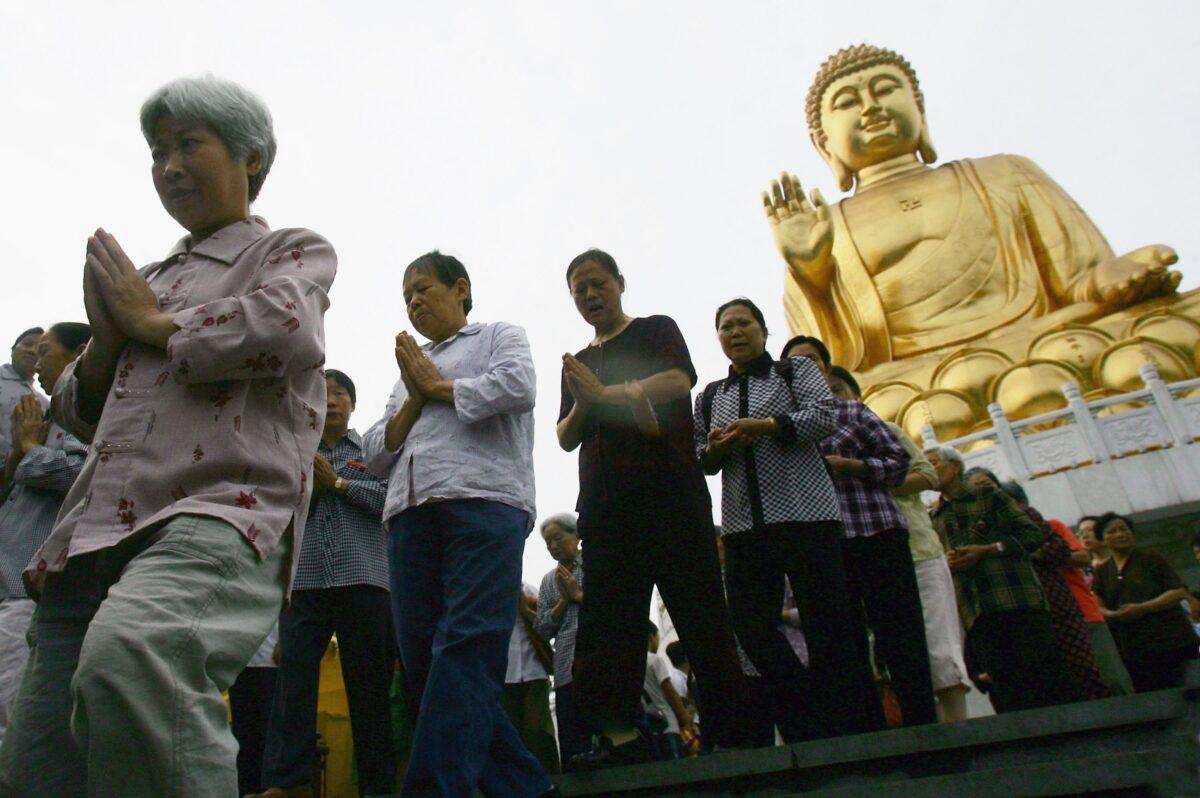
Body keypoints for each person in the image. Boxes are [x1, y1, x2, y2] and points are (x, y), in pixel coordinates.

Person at [0, 75, 336, 798]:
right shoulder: (145, 277)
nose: (170, 167)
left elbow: (286, 329)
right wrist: (105, 339)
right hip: (88, 536)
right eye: (158, 153)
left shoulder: (287, 252)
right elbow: (80, 411)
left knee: (135, 659)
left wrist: (149, 324)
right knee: (39, 762)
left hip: (213, 510)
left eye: (189, 145)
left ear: (251, 158)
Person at [363, 251, 553, 797]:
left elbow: (517, 386)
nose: (413, 303)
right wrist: (415, 396)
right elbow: (375, 452)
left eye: (422, 289)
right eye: (406, 297)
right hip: (408, 510)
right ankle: (526, 788)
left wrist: (439, 388)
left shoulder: (497, 336)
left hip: (484, 501)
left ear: (461, 288)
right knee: (425, 665)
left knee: (467, 644)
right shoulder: (409, 374)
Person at [557, 249, 752, 767]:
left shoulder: (654, 330)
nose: (590, 295)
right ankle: (620, 738)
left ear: (620, 283)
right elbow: (565, 436)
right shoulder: (577, 364)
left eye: (598, 283)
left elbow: (678, 381)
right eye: (579, 289)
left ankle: (733, 733)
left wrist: (611, 393)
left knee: (700, 610)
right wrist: (585, 400)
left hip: (670, 495)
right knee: (608, 625)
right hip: (605, 508)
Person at [695, 300, 878, 740]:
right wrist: (717, 448)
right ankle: (805, 716)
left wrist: (764, 426)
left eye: (743, 323)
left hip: (806, 515)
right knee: (750, 625)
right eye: (725, 327)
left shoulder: (794, 371)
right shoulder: (710, 396)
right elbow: (699, 454)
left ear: (763, 330)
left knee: (827, 621)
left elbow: (822, 417)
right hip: (744, 524)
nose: (735, 332)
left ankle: (849, 728)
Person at [255, 370, 395, 798]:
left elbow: (391, 501)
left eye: (340, 394)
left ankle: (378, 788)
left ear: (353, 403)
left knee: (369, 687)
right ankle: (287, 783)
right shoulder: (294, 451)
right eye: (323, 393)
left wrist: (338, 484)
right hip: (305, 583)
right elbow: (277, 511)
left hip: (366, 580)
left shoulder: (373, 450)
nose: (331, 401)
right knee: (293, 684)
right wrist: (313, 490)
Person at [784, 336, 936, 727]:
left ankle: (923, 724)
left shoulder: (852, 411)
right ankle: (868, 729)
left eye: (811, 361)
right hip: (824, 545)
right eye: (793, 364)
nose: (803, 369)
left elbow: (899, 463)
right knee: (843, 642)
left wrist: (853, 466)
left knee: (900, 632)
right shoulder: (782, 427)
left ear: (826, 369)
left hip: (876, 530)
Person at [826, 366, 970, 722]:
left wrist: (863, 475)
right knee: (888, 649)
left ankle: (956, 727)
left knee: (936, 645)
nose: (831, 396)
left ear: (857, 394)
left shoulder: (883, 429)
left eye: (838, 388)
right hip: (857, 551)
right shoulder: (812, 441)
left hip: (914, 550)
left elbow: (928, 473)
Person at [926, 447, 1079, 712]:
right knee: (1006, 688)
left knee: (1047, 677)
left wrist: (988, 550)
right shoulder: (935, 516)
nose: (928, 470)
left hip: (1016, 597)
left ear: (955, 466)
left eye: (934, 463)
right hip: (976, 609)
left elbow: (1032, 535)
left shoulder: (989, 496)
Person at [0, 323, 90, 745]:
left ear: (81, 353)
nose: (37, 365)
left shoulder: (86, 418)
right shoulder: (41, 416)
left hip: (29, 591)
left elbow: (85, 477)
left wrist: (30, 451)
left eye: (45, 352)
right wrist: (18, 454)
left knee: (11, 710)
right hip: (9, 586)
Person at [964, 471, 1108, 702]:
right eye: (975, 488)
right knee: (1037, 677)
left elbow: (1059, 550)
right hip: (1010, 612)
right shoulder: (967, 530)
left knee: (1082, 671)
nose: (984, 492)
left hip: (1055, 603)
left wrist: (1007, 550)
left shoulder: (1026, 516)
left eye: (988, 485)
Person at [1092, 513, 1199, 692]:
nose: (1120, 534)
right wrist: (1114, 614)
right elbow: (1097, 604)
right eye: (1112, 531)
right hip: (1134, 649)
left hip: (1172, 642)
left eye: (1124, 529)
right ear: (1102, 540)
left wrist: (1142, 608)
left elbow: (1178, 591)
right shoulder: (1103, 572)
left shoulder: (1150, 558)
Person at [533, 513, 590, 764]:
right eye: (548, 543)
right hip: (566, 667)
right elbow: (541, 628)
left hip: (599, 659)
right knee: (571, 736)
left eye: (558, 538)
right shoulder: (548, 581)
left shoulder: (594, 564)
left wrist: (578, 595)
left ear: (576, 535)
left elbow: (614, 602)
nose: (553, 546)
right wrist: (564, 602)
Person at [501, 584, 559, 775]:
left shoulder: (530, 592)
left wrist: (525, 610)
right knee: (510, 735)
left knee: (538, 733)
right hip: (504, 676)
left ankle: (549, 778)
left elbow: (547, 627)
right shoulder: (490, 595)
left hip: (534, 672)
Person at [230, 621, 280, 797]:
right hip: (240, 661)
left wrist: (284, 639)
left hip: (271, 662)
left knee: (270, 737)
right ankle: (246, 791)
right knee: (243, 738)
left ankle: (268, 789)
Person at [0, 328, 46, 479]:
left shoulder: (45, 403)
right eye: (27, 344)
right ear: (13, 350)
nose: (32, 351)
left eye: (40, 349)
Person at [643, 622, 693, 761]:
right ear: (651, 637)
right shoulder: (654, 660)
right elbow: (671, 693)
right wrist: (685, 719)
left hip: (650, 728)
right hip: (668, 724)